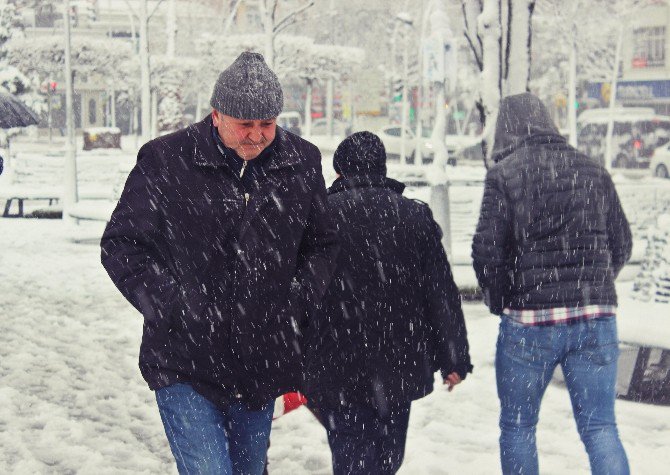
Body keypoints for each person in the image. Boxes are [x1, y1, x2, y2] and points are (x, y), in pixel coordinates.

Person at [101, 52, 339, 475]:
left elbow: (322, 245)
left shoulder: (301, 161)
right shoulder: (166, 160)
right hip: (183, 358)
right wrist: (172, 305)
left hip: (261, 360)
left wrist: (294, 301)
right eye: (244, 124)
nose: (256, 135)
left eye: (266, 124)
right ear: (216, 115)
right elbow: (123, 245)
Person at [471, 93, 632, 475]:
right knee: (600, 427)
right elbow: (621, 242)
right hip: (595, 317)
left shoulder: (504, 174)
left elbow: (487, 252)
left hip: (530, 322)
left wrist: (501, 301)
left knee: (518, 426)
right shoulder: (591, 169)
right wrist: (592, 285)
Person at [305, 132, 473, 475]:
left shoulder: (320, 216)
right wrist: (454, 357)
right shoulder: (414, 216)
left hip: (336, 361)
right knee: (387, 455)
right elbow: (440, 292)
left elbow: (301, 292)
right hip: (399, 361)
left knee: (349, 451)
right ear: (382, 169)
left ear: (339, 171)